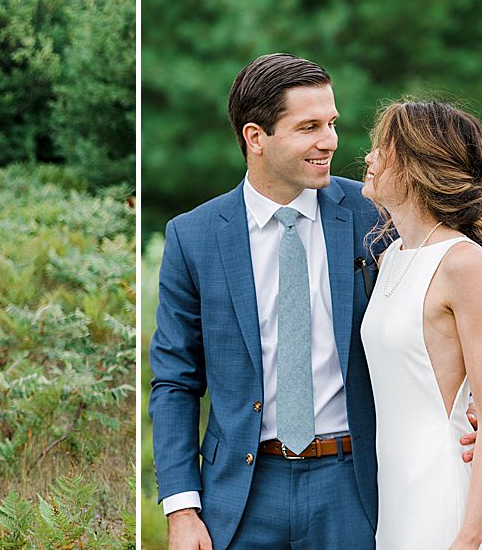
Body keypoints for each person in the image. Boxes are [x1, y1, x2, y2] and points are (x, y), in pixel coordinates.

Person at [148, 53, 383, 548]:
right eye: (309, 127)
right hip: (240, 494)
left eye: (331, 123)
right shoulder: (193, 237)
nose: (330, 142)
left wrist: (465, 403)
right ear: (256, 137)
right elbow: (175, 380)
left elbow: (437, 314)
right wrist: (182, 509)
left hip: (354, 485)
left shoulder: (375, 216)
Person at [360, 100, 482, 548]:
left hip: (443, 492)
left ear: (415, 166)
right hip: (395, 493)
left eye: (380, 149)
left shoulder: (462, 261)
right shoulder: (389, 258)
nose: (367, 157)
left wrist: (469, 534)